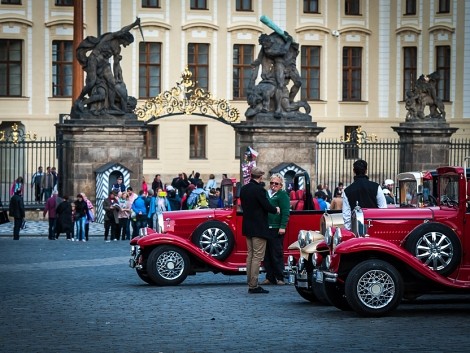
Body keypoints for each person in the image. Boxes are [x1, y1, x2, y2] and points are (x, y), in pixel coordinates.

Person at [240, 167, 279, 294]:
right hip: (259, 227)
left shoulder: (244, 189)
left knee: (250, 255)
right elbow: (266, 206)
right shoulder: (259, 190)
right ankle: (253, 285)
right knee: (257, 256)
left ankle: (249, 281)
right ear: (260, 177)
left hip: (248, 226)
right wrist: (276, 209)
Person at [261, 173, 290, 286]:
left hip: (277, 228)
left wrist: (283, 226)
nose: (273, 185)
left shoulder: (282, 195)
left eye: (276, 183)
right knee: (266, 254)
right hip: (266, 227)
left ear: (281, 185)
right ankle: (270, 277)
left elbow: (285, 212)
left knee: (276, 253)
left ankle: (280, 277)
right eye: (272, 183)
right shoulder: (266, 194)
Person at [342, 159, 387, 230]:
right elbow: (383, 209)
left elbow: (346, 215)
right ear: (366, 171)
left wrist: (349, 230)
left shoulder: (347, 191)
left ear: (354, 171)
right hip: (374, 226)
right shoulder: (376, 187)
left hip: (356, 228)